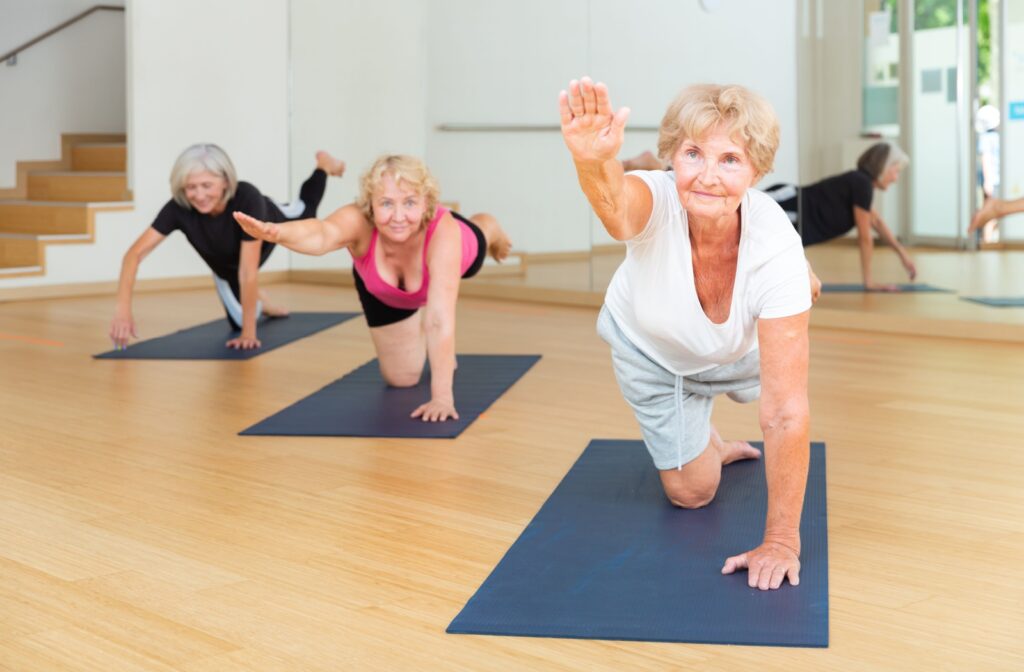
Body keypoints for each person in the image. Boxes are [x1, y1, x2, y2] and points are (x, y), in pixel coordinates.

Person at [560, 77, 811, 591]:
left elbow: (785, 411)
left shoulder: (774, 244)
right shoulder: (655, 200)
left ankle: (803, 288)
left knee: (789, 299)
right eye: (693, 154)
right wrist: (591, 160)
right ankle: (708, 444)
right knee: (692, 493)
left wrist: (781, 538)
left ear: (757, 171)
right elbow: (615, 209)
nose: (707, 177)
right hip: (654, 356)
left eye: (730, 160)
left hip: (735, 351)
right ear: (670, 155)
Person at [233, 155, 513, 422]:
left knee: (478, 243)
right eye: (387, 203)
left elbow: (439, 319)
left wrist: (442, 398)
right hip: (384, 292)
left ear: (426, 203)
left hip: (459, 253)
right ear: (371, 204)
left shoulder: (445, 232)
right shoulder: (359, 220)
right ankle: (414, 324)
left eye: (410, 203)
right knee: (402, 379)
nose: (399, 216)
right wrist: (278, 232)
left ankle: (487, 225)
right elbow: (321, 234)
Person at [109, 144, 346, 350]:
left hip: (264, 231)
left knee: (306, 211)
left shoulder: (246, 197)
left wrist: (249, 334)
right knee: (238, 321)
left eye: (206, 185)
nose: (199, 195)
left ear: (225, 181)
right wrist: (122, 312)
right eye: (191, 187)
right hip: (226, 269)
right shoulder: (177, 209)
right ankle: (267, 304)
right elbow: (134, 254)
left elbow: (247, 271)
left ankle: (324, 165)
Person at [764, 141, 916, 291]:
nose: (895, 178)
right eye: (895, 171)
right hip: (788, 206)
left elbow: (876, 221)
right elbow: (865, 238)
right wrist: (869, 282)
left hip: (794, 218)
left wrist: (902, 254)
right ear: (883, 167)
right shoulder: (862, 184)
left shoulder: (861, 183)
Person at [972, 105, 1002, 243]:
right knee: (990, 212)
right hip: (991, 180)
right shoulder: (988, 138)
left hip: (994, 179)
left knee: (993, 212)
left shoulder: (992, 137)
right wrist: (987, 181)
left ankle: (988, 240)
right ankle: (987, 242)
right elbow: (986, 160)